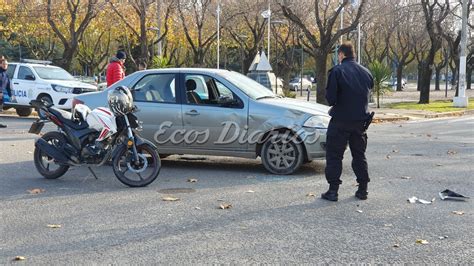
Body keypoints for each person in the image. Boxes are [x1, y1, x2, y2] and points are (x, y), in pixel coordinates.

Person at [321, 42, 374, 202]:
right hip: (360, 122)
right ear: (354, 55)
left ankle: (333, 191)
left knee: (334, 156)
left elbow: (331, 99)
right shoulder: (366, 72)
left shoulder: (337, 71)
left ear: (341, 55)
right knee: (359, 155)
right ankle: (363, 189)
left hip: (340, 121)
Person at [0, 58, 16, 128]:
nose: (5, 65)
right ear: (0, 64)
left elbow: (8, 86)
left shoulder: (6, 75)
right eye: (4, 64)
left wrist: (10, 95)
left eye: (6, 64)